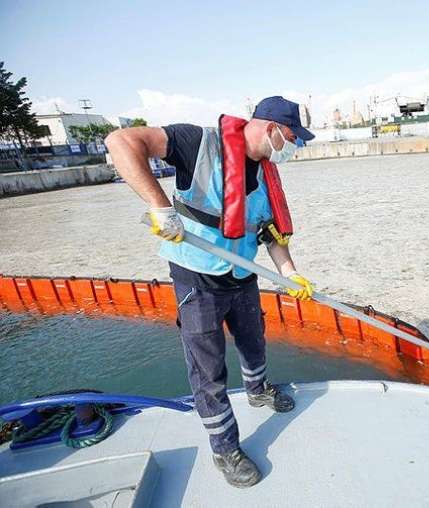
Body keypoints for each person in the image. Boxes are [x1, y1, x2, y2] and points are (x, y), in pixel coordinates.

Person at [105, 96, 315, 488]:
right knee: (209, 369)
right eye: (291, 137)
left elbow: (269, 233)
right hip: (197, 278)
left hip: (242, 275)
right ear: (270, 128)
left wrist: (290, 272)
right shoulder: (197, 143)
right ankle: (224, 448)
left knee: (254, 342)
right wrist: (159, 206)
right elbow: (120, 141)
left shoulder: (268, 172)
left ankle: (257, 390)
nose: (294, 147)